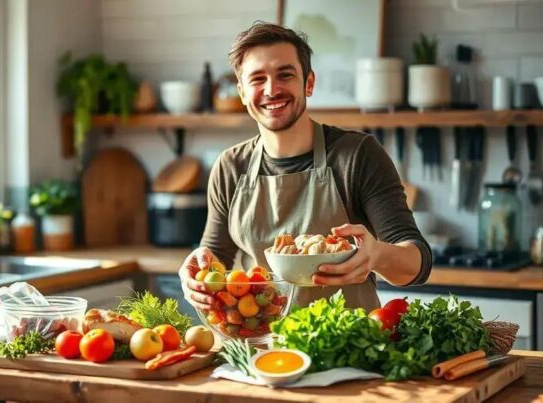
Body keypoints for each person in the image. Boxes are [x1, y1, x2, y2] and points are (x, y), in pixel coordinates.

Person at [179, 22, 432, 312]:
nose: (271, 90)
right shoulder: (230, 167)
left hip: (348, 348)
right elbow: (216, 256)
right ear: (242, 92)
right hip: (260, 347)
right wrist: (198, 269)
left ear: (309, 83)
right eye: (257, 79)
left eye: (285, 75)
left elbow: (417, 262)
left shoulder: (357, 155)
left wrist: (376, 255)